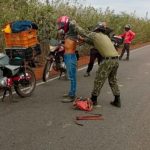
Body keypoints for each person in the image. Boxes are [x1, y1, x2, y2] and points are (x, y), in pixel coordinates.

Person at [74, 20, 121, 108]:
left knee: (99, 80)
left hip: (108, 61)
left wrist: (75, 25)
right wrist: (82, 39)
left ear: (96, 29)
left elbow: (84, 33)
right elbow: (91, 42)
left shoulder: (95, 35)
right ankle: (117, 100)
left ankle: (94, 99)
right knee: (112, 80)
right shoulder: (105, 36)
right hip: (116, 60)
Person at [57, 16, 79, 103]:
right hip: (67, 56)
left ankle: (72, 96)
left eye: (61, 24)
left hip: (70, 56)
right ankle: (71, 93)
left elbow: (69, 45)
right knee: (71, 76)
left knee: (72, 77)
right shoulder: (69, 34)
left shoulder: (72, 34)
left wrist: (61, 45)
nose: (60, 26)